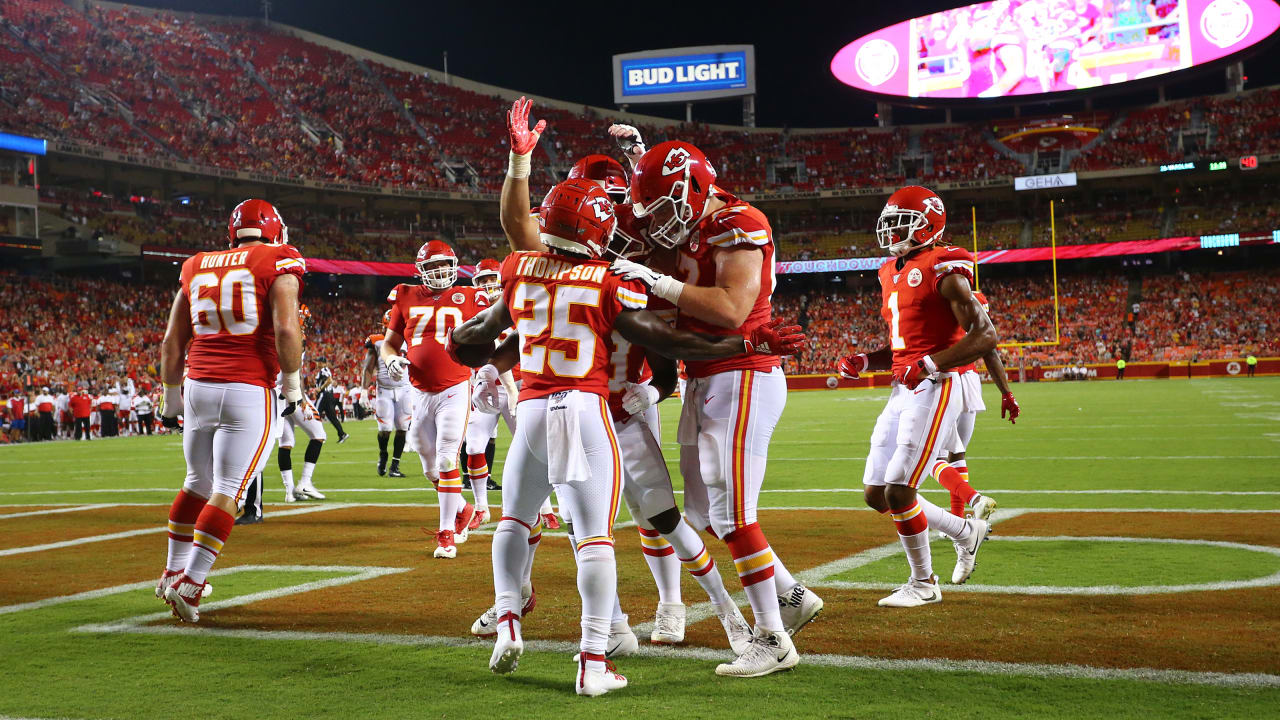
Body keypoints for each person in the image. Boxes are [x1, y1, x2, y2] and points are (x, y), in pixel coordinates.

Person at [451, 177, 803, 695]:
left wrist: (475, 356)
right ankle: (600, 649)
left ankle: (513, 620)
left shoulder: (518, 269)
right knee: (593, 536)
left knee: (524, 520)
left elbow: (480, 337)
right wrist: (746, 337)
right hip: (592, 411)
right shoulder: (618, 282)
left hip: (560, 409)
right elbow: (667, 338)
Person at [488, 135, 753, 655]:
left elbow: (663, 337)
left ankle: (716, 611)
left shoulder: (628, 261)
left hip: (620, 408)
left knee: (659, 517)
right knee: (583, 525)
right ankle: (610, 629)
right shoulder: (574, 268)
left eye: (615, 199)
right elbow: (531, 322)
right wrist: (495, 365)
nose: (613, 211)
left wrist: (653, 390)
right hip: (583, 411)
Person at [604, 137, 819, 676]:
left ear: (696, 189)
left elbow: (730, 308)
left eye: (667, 208)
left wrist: (658, 282)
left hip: (742, 372)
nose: (658, 223)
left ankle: (772, 638)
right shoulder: (689, 216)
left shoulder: (738, 222)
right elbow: (653, 199)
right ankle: (792, 598)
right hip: (705, 377)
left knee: (731, 514)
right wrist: (640, 163)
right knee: (702, 514)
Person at [836, 185, 996, 608]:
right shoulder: (890, 270)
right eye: (888, 223)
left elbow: (985, 335)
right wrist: (867, 360)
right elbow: (904, 343)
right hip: (904, 384)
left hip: (939, 383)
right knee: (877, 494)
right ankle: (966, 531)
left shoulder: (945, 264)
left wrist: (928, 365)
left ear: (929, 223)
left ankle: (924, 583)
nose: (892, 232)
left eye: (901, 223)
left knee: (900, 489)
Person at [155, 198, 305, 623]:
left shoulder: (196, 263)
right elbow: (286, 328)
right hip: (247, 385)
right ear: (275, 230)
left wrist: (170, 396)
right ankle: (193, 581)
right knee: (230, 490)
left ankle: (171, 571)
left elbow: (171, 342)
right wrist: (292, 385)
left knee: (195, 482)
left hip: (198, 384)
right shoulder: (280, 257)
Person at [380, 239, 488, 559]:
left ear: (454, 266)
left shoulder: (471, 296)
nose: (440, 271)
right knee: (430, 467)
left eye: (444, 265)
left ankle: (446, 535)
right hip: (419, 391)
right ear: (421, 270)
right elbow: (389, 344)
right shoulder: (405, 295)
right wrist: (390, 360)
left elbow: (488, 338)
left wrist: (483, 375)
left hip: (455, 387)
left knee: (445, 459)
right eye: (432, 266)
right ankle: (463, 509)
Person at [362, 310, 411, 477]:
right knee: (385, 429)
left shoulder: (409, 341)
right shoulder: (377, 341)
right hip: (384, 391)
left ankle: (395, 466)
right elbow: (368, 368)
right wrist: (363, 390)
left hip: (405, 389)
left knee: (403, 428)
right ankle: (383, 454)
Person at [313, 364, 349, 442]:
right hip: (328, 395)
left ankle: (320, 436)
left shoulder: (324, 370)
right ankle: (342, 434)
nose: (317, 364)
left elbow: (329, 380)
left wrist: (320, 388)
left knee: (315, 414)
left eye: (318, 362)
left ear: (322, 363)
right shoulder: (325, 370)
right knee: (332, 417)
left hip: (324, 395)